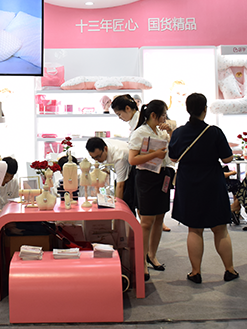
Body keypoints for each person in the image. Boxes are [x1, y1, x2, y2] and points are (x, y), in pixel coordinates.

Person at [168, 93, 238, 283]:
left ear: (187, 109)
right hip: (212, 182)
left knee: (194, 229)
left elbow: (173, 158)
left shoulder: (179, 132)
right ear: (205, 109)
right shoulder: (214, 132)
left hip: (188, 184)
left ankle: (195, 272)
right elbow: (227, 158)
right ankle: (230, 270)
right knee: (220, 229)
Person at [128, 100, 173, 280]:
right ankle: (141, 261)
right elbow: (132, 160)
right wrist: (155, 154)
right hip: (146, 178)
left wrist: (170, 133)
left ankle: (152, 255)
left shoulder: (161, 132)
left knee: (160, 217)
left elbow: (171, 154)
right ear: (153, 115)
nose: (165, 118)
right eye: (163, 115)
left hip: (163, 176)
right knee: (146, 221)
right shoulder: (140, 132)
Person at [86, 137, 132, 211]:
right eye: (93, 158)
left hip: (135, 171)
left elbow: (120, 185)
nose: (96, 160)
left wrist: (117, 208)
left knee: (128, 201)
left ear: (105, 149)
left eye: (98, 156)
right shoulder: (101, 146)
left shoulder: (119, 157)